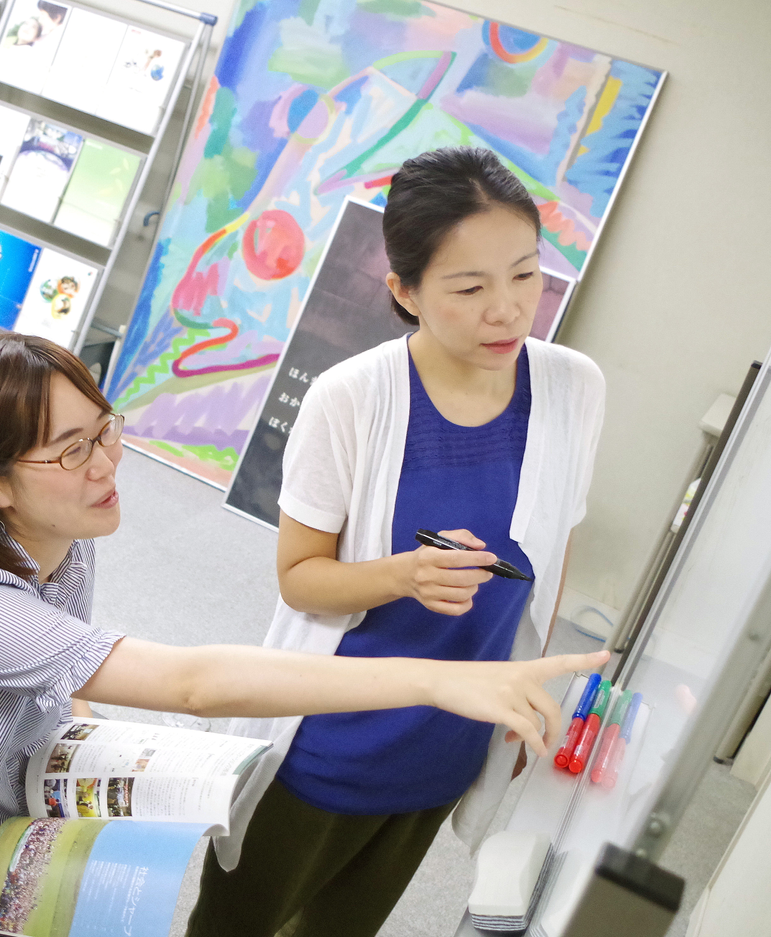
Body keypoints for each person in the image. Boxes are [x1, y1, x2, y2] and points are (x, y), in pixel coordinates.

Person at [0, 332, 607, 937]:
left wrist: (98, 750)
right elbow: (192, 684)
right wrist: (439, 678)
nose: (105, 465)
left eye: (104, 431)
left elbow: (55, 678)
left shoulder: (64, 543)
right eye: (71, 450)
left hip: (10, 834)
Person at [185, 147, 607, 937]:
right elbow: (300, 577)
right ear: (405, 292)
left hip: (447, 746)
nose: (508, 309)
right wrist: (405, 574)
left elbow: (551, 560)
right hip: (326, 742)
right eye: (470, 288)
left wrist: (524, 689)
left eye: (525, 274)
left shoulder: (573, 387)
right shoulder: (350, 397)